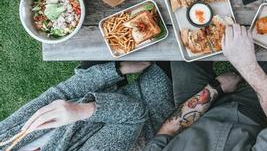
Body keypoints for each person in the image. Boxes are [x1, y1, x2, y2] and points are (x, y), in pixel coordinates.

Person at [144, 24, 267, 151]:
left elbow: (168, 132)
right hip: (257, 113)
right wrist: (247, 65)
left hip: (195, 115)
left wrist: (215, 87)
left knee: (184, 42)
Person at [0, 62, 174, 151]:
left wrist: (116, 70)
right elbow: (134, 115)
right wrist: (78, 111)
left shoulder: (3, 139)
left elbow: (60, 93)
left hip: (104, 88)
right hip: (151, 99)